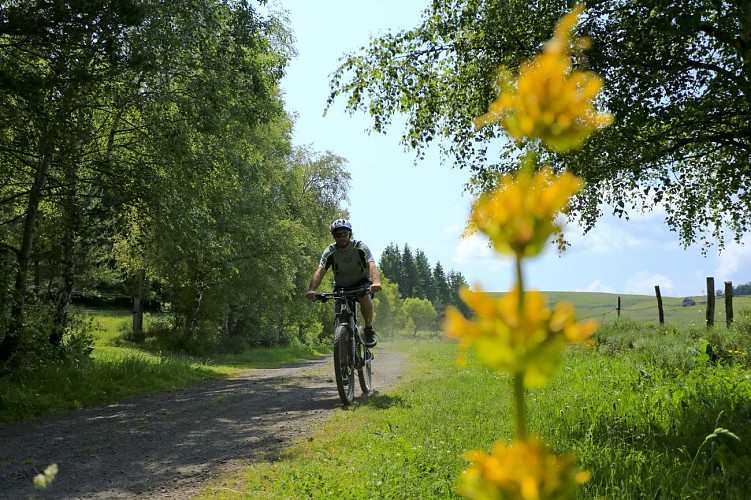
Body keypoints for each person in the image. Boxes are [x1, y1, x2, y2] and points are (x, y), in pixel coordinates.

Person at [306, 219, 382, 347]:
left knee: (365, 297)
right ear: (334, 236)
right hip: (341, 286)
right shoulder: (330, 251)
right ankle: (344, 343)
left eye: (344, 234)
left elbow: (372, 265)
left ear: (350, 234)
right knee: (341, 313)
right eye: (338, 235)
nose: (341, 238)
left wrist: (376, 282)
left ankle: (369, 329)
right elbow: (320, 271)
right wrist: (312, 289)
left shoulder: (360, 247)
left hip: (361, 282)